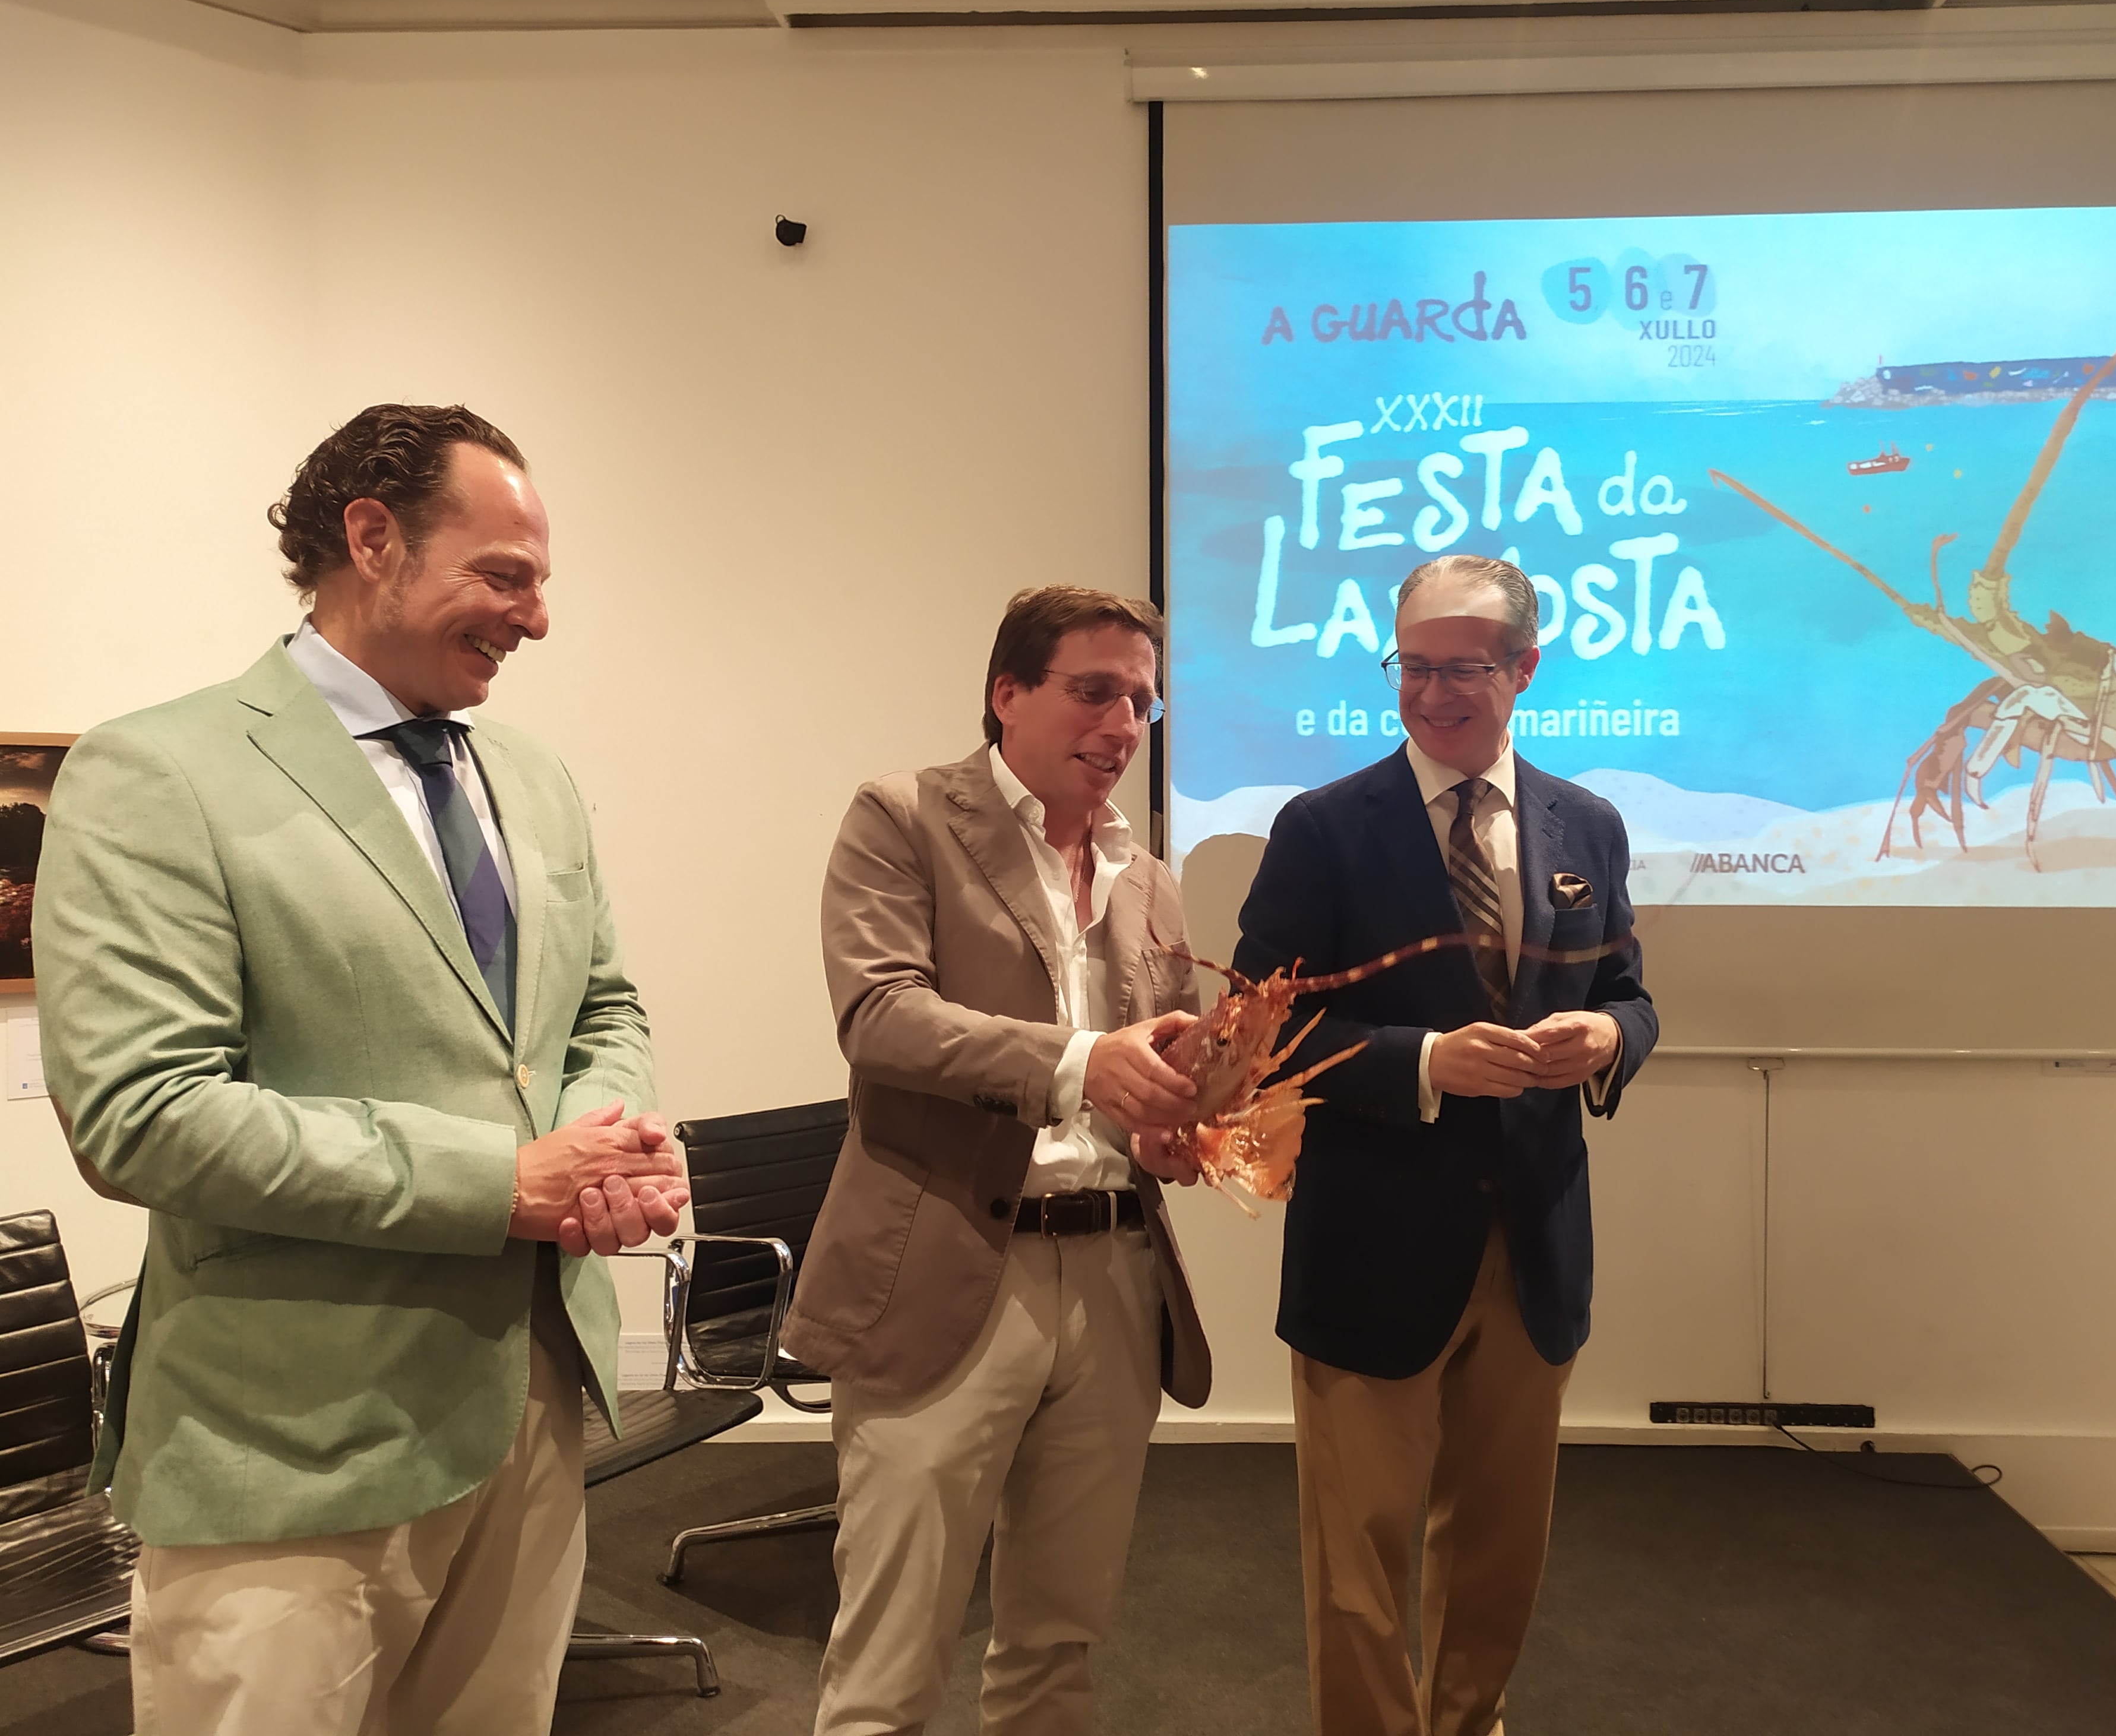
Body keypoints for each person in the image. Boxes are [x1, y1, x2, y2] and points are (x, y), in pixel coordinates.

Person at [34, 403, 688, 1735]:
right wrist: (506, 1181)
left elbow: (597, 1006)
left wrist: (602, 1141)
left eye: (541, 583)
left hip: (533, 1403)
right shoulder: (157, 771)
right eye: (504, 575)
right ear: (373, 540)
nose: (536, 618)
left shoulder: (533, 777)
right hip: (289, 1444)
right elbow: (141, 1115)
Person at [1232, 553, 1659, 1736]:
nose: (1429, 694)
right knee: (1355, 1563)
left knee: (1499, 1548)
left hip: (1532, 1243)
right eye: (1409, 668)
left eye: (1459, 668)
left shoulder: (1588, 824)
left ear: (1524, 667)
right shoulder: (1320, 829)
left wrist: (1606, 1036)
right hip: (1368, 1244)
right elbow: (1261, 1034)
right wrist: (1420, 1063)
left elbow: (1631, 993)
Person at [787, 584, 1213, 1736]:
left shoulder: (1149, 875)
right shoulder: (903, 817)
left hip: (1115, 1276)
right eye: (1093, 692)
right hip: (947, 1265)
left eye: (1140, 699)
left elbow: (1149, 1070)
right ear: (1006, 694)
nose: (1123, 724)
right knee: (889, 1663)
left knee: (1057, 1644)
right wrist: (1084, 1066)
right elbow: (879, 1016)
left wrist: (1178, 1123)